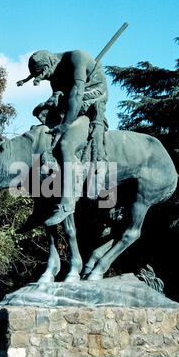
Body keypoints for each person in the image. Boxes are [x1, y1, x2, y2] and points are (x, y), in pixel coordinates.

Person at [17, 49, 109, 226]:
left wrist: (66, 125)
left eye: (45, 75)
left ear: (50, 63)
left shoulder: (77, 58)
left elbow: (76, 93)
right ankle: (42, 203)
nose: (46, 79)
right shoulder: (54, 73)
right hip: (70, 104)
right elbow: (62, 95)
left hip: (91, 101)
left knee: (66, 144)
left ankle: (67, 202)